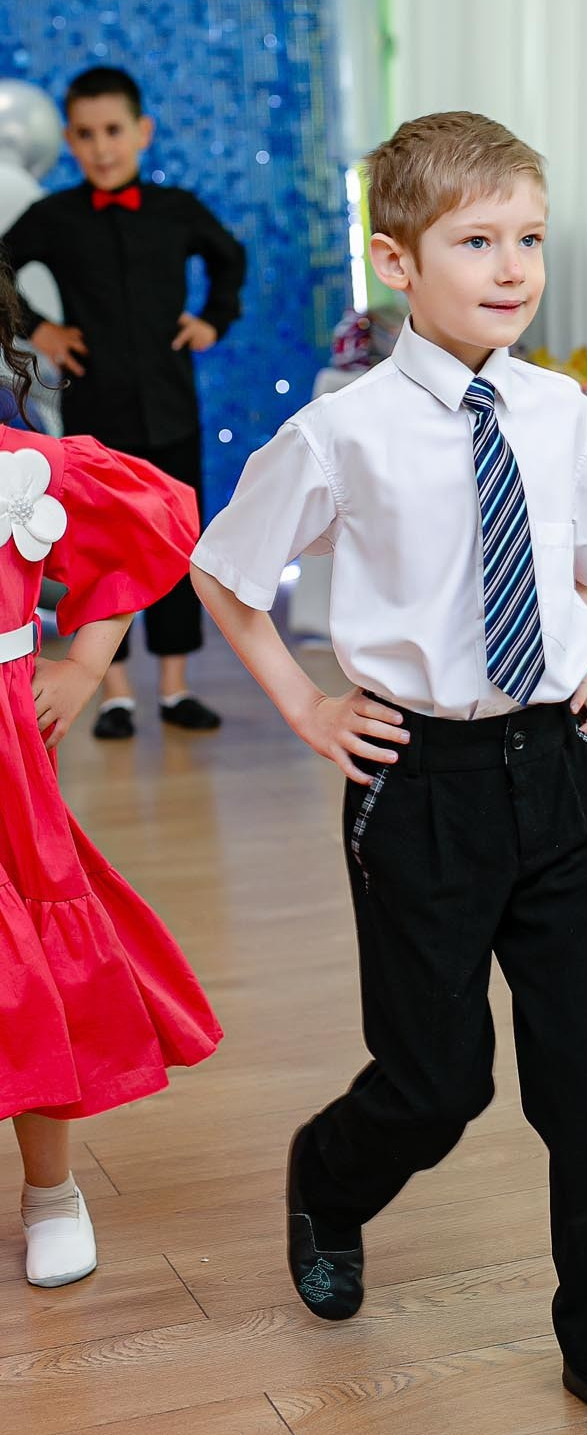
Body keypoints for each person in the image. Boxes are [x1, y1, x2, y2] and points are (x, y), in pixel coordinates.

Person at [190, 113, 587, 1434]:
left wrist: (571, 663)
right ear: (395, 262)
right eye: (476, 239)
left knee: (585, 1077)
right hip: (418, 781)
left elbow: (569, 557)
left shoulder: (559, 408)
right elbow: (225, 576)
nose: (512, 264)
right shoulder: (343, 430)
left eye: (529, 237)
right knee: (440, 1081)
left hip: (552, 767)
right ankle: (328, 1174)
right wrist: (307, 708)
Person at [0, 263, 222, 1288]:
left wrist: (84, 662)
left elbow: (149, 517)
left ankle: (52, 1188)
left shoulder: (19, 468)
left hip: (6, 780)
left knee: (26, 967)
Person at [2, 66, 245, 740]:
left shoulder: (176, 211)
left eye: (113, 131)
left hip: (171, 408)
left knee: (174, 543)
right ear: (70, 144)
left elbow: (230, 258)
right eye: (85, 134)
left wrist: (212, 321)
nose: (102, 147)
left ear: (142, 132)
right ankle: (111, 693)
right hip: (94, 418)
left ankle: (173, 687)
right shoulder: (53, 218)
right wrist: (37, 330)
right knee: (99, 550)